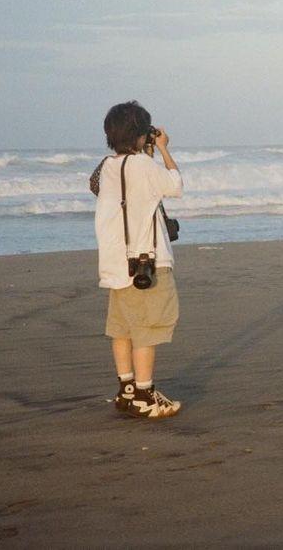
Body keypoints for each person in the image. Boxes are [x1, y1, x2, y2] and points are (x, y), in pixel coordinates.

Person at [94, 101, 184, 418]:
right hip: (146, 263)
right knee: (148, 328)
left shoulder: (106, 166)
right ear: (141, 133)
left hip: (116, 263)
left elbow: (109, 189)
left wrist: (144, 149)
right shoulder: (144, 166)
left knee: (122, 328)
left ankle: (127, 389)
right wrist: (162, 149)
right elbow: (174, 186)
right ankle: (146, 395)